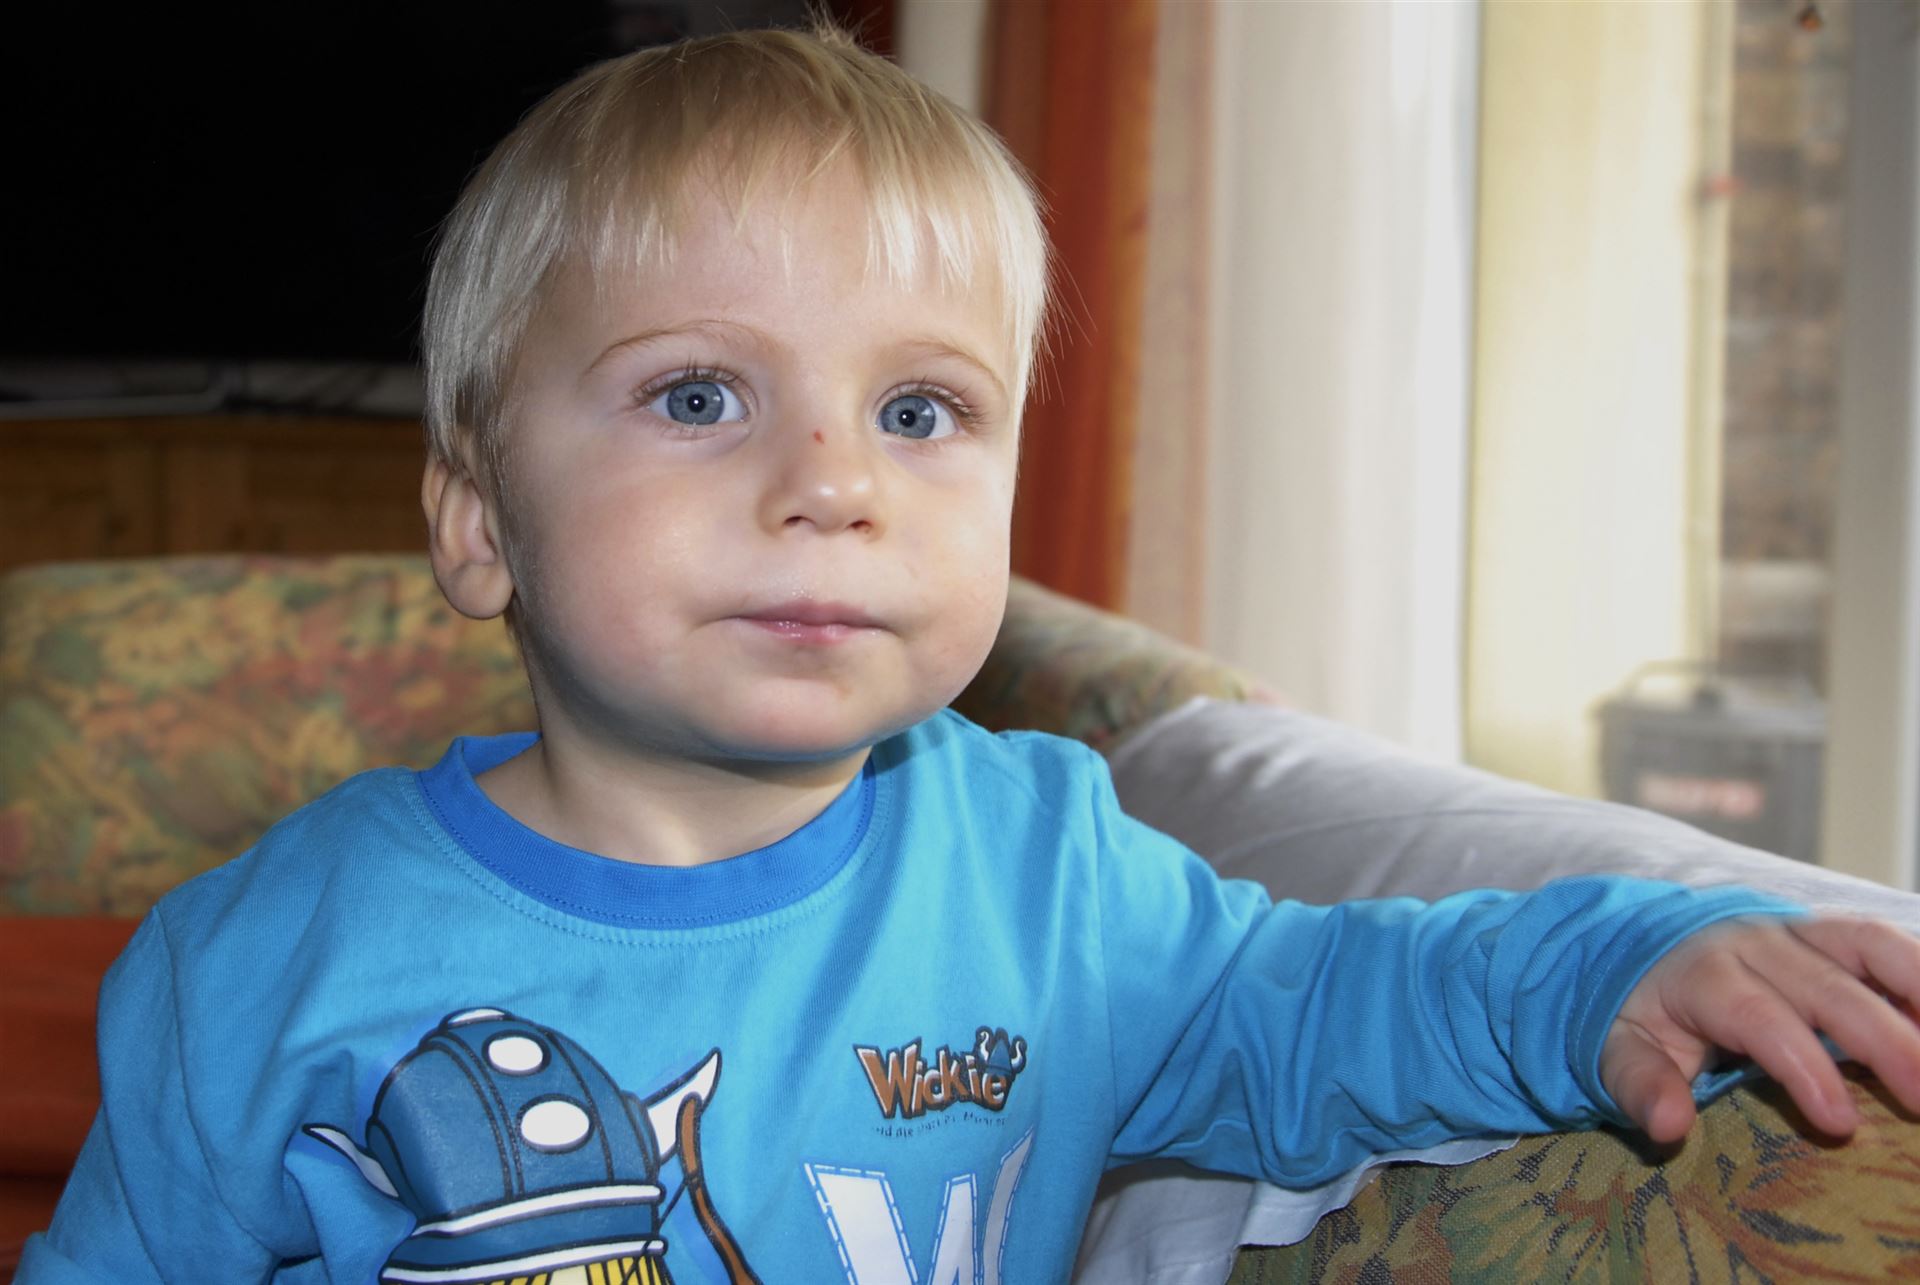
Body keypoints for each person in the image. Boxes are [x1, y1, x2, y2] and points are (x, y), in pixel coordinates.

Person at [20, 26, 1920, 1285]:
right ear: (477, 522)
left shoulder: (1048, 876)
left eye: (922, 411)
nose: (832, 481)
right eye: (699, 393)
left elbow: (1342, 1000)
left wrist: (1628, 960)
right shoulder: (251, 959)